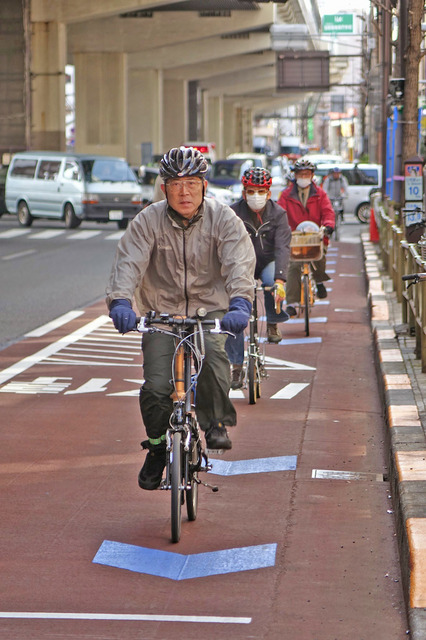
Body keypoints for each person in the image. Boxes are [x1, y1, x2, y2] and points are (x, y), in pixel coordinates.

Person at [106, 146, 256, 490]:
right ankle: (158, 447)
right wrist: (121, 302)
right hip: (161, 311)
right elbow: (128, 263)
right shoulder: (147, 220)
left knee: (215, 359)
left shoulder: (224, 219)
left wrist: (239, 304)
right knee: (157, 386)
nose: (184, 191)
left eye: (191, 182)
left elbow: (238, 264)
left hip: (211, 308)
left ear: (204, 185)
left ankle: (215, 422)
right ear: (164, 188)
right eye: (175, 184)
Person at [225, 167, 291, 389]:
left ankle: (273, 322)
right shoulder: (232, 213)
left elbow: (283, 248)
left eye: (261, 191)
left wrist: (281, 280)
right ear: (244, 193)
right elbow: (223, 244)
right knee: (233, 312)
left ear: (269, 193)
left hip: (267, 263)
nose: (256, 196)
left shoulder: (279, 215)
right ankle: (235, 366)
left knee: (273, 282)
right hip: (241, 265)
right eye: (251, 191)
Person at [277, 158, 335, 316]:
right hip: (294, 237)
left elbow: (328, 212)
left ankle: (320, 280)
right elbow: (279, 213)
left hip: (315, 236)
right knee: (293, 266)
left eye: (307, 174)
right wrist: (281, 229)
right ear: (295, 175)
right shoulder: (286, 195)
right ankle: (292, 302)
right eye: (301, 174)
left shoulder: (320, 194)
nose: (304, 177)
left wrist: (328, 226)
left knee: (319, 257)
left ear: (312, 175)